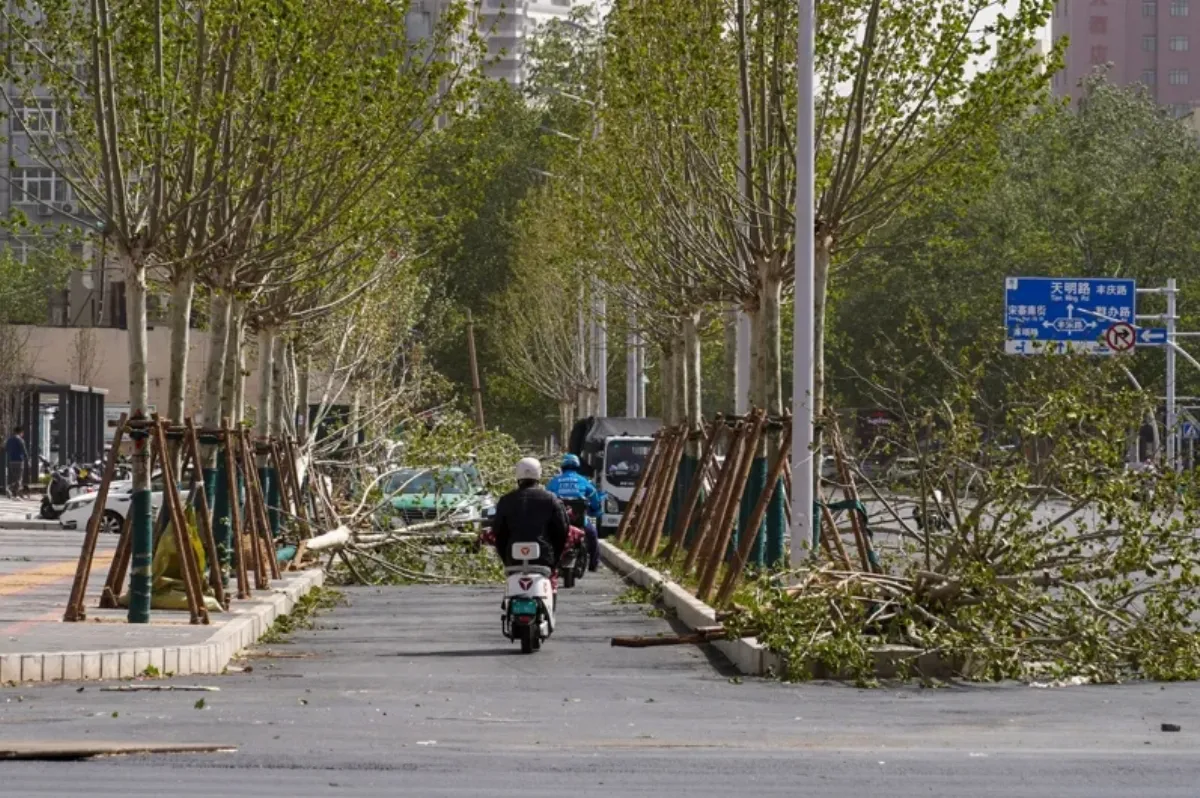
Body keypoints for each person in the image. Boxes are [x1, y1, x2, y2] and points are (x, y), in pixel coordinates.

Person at [490, 457, 570, 574]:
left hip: (513, 560)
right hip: (544, 559)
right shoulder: (551, 499)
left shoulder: (506, 500)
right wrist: (554, 559)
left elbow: (498, 533)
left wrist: (506, 559)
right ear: (539, 474)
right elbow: (562, 531)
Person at [546, 453, 603, 572]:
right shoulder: (584, 481)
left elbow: (546, 499)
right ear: (577, 467)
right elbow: (594, 499)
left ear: (562, 467)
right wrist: (596, 510)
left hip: (558, 521)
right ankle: (593, 565)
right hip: (580, 520)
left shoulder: (554, 482)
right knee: (592, 535)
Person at [5, 426, 27, 499]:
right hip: (19, 461)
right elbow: (24, 451)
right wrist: (27, 459)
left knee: (15, 478)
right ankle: (11, 490)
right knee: (19, 479)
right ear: (20, 432)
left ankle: (13, 493)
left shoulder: (9, 440)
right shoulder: (20, 440)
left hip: (11, 461)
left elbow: (6, 449)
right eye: (22, 433)